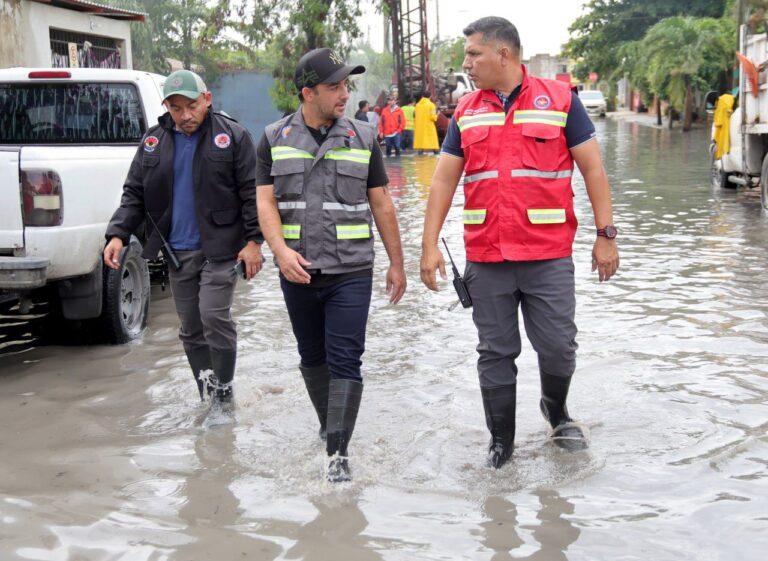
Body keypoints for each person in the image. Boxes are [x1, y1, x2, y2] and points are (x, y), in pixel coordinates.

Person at [420, 17, 620, 468]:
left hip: (547, 255)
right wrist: (429, 243)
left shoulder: (561, 100)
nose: (466, 63)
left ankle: (557, 411)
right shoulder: (466, 111)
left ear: (503, 54)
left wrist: (606, 235)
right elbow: (443, 182)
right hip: (487, 256)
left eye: (473, 54)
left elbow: (593, 170)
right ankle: (501, 442)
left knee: (558, 346)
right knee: (495, 351)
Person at [255, 48, 407, 482]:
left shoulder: (364, 136)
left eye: (346, 85)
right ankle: (329, 427)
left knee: (346, 358)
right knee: (311, 356)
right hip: (297, 268)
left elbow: (382, 203)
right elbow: (265, 202)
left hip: (351, 270)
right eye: (334, 87)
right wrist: (280, 253)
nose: (344, 94)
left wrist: (397, 264)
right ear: (307, 93)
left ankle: (338, 457)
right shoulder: (272, 137)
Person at [104, 69, 263, 417]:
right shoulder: (153, 142)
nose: (186, 115)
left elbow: (252, 194)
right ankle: (207, 393)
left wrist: (254, 241)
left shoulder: (232, 136)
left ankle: (223, 398)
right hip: (178, 251)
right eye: (176, 108)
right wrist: (117, 234)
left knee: (213, 315)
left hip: (222, 248)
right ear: (167, 107)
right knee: (191, 329)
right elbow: (134, 193)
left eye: (191, 105)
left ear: (206, 100)